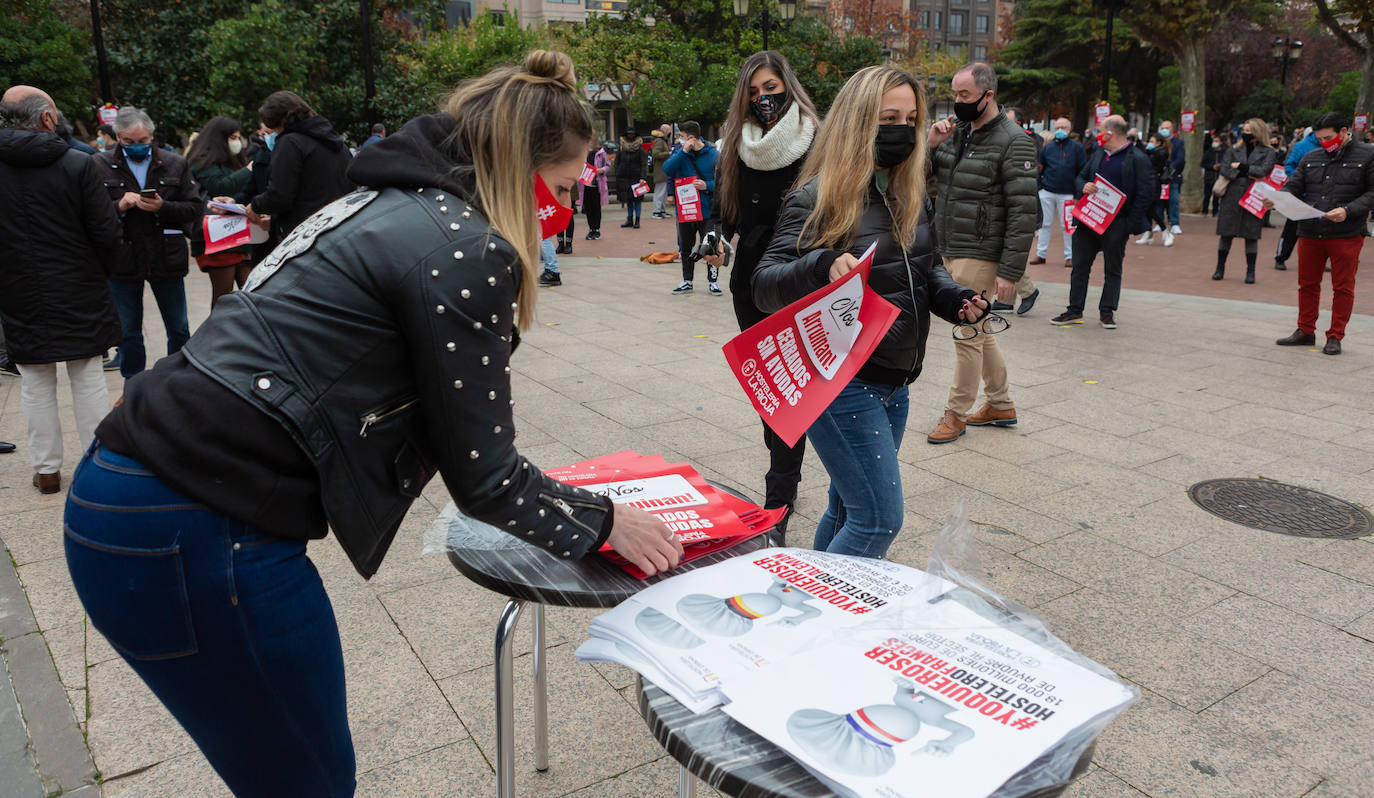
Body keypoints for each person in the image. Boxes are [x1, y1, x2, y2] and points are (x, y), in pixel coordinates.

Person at [62, 50, 683, 797]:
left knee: (284, 773)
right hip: (195, 524)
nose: (561, 207)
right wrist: (607, 523)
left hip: (132, 492)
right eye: (558, 188)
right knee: (310, 780)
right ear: (519, 169)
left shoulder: (382, 198)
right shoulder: (465, 245)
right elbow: (487, 481)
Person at [753, 64, 989, 558]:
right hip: (841, 380)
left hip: (896, 380)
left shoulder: (909, 193)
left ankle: (808, 603)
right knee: (879, 518)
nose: (902, 130)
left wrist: (956, 300)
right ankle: (828, 623)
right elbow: (764, 284)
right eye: (888, 118)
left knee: (847, 510)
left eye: (910, 119)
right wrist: (820, 265)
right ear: (858, 121)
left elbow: (928, 270)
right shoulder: (817, 197)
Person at [704, 50, 819, 533]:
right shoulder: (738, 143)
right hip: (749, 279)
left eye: (770, 89)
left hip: (799, 275)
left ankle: (780, 494)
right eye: (753, 93)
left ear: (787, 87)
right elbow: (725, 208)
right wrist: (713, 235)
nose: (763, 99)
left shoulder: (817, 138)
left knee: (790, 389)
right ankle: (783, 474)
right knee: (768, 389)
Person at [0, 86, 122, 493]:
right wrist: (100, 271)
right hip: (78, 283)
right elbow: (106, 232)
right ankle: (95, 465)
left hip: (18, 286)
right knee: (87, 376)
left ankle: (47, 469)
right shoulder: (77, 163)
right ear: (48, 119)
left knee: (34, 381)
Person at [925, 62, 1037, 444]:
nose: (957, 102)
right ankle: (1001, 404)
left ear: (988, 95)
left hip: (981, 250)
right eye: (955, 94)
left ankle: (954, 414)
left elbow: (1024, 212)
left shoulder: (1013, 140)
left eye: (965, 96)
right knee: (979, 328)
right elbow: (926, 179)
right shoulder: (957, 134)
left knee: (966, 331)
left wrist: (1009, 270)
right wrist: (930, 145)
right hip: (950, 244)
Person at [91, 106, 203, 379]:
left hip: (166, 254)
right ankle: (134, 384)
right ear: (117, 136)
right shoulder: (99, 164)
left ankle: (178, 381)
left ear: (152, 136)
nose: (137, 146)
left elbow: (193, 207)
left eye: (143, 141)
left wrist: (162, 207)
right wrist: (119, 205)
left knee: (178, 326)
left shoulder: (175, 163)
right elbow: (91, 212)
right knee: (128, 330)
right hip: (123, 257)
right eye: (129, 141)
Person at [1270, 111, 1374, 355]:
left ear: (1344, 131)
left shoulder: (1368, 155)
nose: (1324, 143)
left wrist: (1348, 210)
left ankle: (1335, 335)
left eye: (1328, 137)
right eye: (1319, 139)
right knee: (1307, 284)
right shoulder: (1311, 157)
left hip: (1346, 232)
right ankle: (1305, 330)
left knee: (1343, 286)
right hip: (1310, 230)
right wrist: (1276, 199)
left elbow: (1372, 193)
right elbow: (1293, 187)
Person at [1049, 115, 1153, 330]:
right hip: (1089, 219)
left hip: (1116, 224)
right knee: (1079, 267)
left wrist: (1128, 225)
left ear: (1110, 133)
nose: (1097, 134)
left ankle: (1107, 312)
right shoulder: (1098, 154)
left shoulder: (1137, 158)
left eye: (1100, 130)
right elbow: (1080, 177)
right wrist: (1083, 186)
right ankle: (1074, 310)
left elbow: (1145, 194)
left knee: (1112, 269)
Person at [240, 91, 353, 239]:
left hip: (305, 236)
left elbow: (280, 194)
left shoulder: (290, 143)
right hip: (340, 228)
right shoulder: (336, 143)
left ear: (278, 122)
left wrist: (255, 206)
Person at [185, 115, 255, 307]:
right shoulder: (202, 161)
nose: (237, 142)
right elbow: (219, 186)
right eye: (232, 137)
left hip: (242, 232)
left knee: (251, 292)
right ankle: (218, 335)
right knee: (223, 295)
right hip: (217, 235)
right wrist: (248, 170)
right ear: (220, 138)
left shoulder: (234, 159)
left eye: (238, 137)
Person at [1213, 118, 1278, 284]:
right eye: (1245, 130)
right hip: (1232, 195)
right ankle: (1220, 268)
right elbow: (1226, 168)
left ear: (1257, 132)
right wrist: (1246, 171)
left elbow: (1264, 171)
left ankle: (1251, 272)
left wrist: (1242, 167)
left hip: (1254, 196)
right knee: (1226, 233)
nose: (1245, 133)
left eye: (1249, 131)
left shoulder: (1269, 151)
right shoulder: (1234, 148)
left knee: (1251, 235)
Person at [664, 121, 720, 295]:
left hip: (707, 210)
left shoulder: (713, 155)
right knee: (686, 246)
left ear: (692, 138)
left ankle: (713, 282)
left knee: (710, 245)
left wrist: (707, 185)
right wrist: (684, 150)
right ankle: (687, 280)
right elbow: (668, 170)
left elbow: (723, 182)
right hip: (686, 209)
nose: (679, 139)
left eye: (681, 136)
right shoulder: (680, 153)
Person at [998, 107, 1041, 315]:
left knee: (1007, 255)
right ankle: (1006, 300)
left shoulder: (1025, 142)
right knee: (1005, 252)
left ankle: (1028, 291)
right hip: (1009, 205)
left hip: (1021, 208)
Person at [1033, 116, 1086, 270]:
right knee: (1044, 224)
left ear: (1069, 130)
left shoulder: (1077, 148)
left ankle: (1069, 256)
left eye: (1063, 127)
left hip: (1068, 194)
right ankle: (1041, 254)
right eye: (1057, 128)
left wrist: (1078, 195)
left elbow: (1082, 171)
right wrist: (1040, 187)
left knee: (1067, 226)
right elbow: (1040, 168)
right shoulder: (1047, 148)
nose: (1060, 130)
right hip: (1047, 191)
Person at [1274, 126, 1319, 271]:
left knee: (1320, 228)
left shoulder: (1332, 146)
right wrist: (1299, 182)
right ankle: (1281, 257)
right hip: (1301, 194)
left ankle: (1320, 259)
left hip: (1322, 195)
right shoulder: (1302, 146)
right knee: (1292, 228)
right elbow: (1289, 166)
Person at [1134, 132, 1175, 247]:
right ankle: (1148, 233)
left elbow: (1155, 157)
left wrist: (1146, 149)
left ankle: (1165, 232)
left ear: (1159, 143)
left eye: (1152, 142)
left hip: (1154, 183)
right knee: (1146, 209)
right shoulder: (1150, 152)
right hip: (1146, 182)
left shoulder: (1161, 152)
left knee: (1151, 209)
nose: (1149, 144)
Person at [614, 128, 645, 228]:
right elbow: (617, 161)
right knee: (628, 200)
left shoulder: (640, 148)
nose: (630, 136)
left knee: (637, 200)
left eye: (632, 134)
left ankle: (638, 220)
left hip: (636, 178)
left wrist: (642, 177)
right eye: (629, 134)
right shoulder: (621, 147)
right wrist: (617, 172)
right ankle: (630, 219)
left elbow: (643, 164)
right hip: (624, 177)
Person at [1159, 119, 1185, 234]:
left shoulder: (1178, 143)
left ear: (1172, 129)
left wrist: (1169, 168)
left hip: (1172, 177)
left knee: (1173, 200)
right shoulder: (1159, 141)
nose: (1164, 130)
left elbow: (1180, 159)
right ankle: (1159, 223)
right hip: (1159, 177)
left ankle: (1175, 223)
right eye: (1162, 128)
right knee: (1159, 201)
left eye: (1167, 128)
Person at [580, 142, 609, 240]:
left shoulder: (601, 153)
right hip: (585, 185)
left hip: (597, 185)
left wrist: (602, 170)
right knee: (588, 208)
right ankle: (591, 229)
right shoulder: (582, 153)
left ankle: (597, 229)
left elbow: (608, 165)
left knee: (596, 208)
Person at [650, 124, 672, 217]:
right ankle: (657, 211)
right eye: (669, 131)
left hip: (663, 170)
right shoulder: (659, 141)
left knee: (663, 192)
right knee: (660, 191)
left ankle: (661, 210)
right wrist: (669, 153)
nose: (670, 133)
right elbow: (656, 154)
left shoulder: (661, 140)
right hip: (660, 170)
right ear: (665, 131)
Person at [1201, 131, 1223, 216]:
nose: (1215, 143)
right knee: (1207, 195)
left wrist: (1220, 166)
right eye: (1214, 141)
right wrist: (1212, 166)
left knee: (1216, 197)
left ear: (1221, 142)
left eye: (1217, 141)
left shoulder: (1224, 153)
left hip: (1218, 177)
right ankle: (1205, 211)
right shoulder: (1209, 152)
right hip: (1209, 177)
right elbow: (1203, 163)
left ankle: (1215, 211)